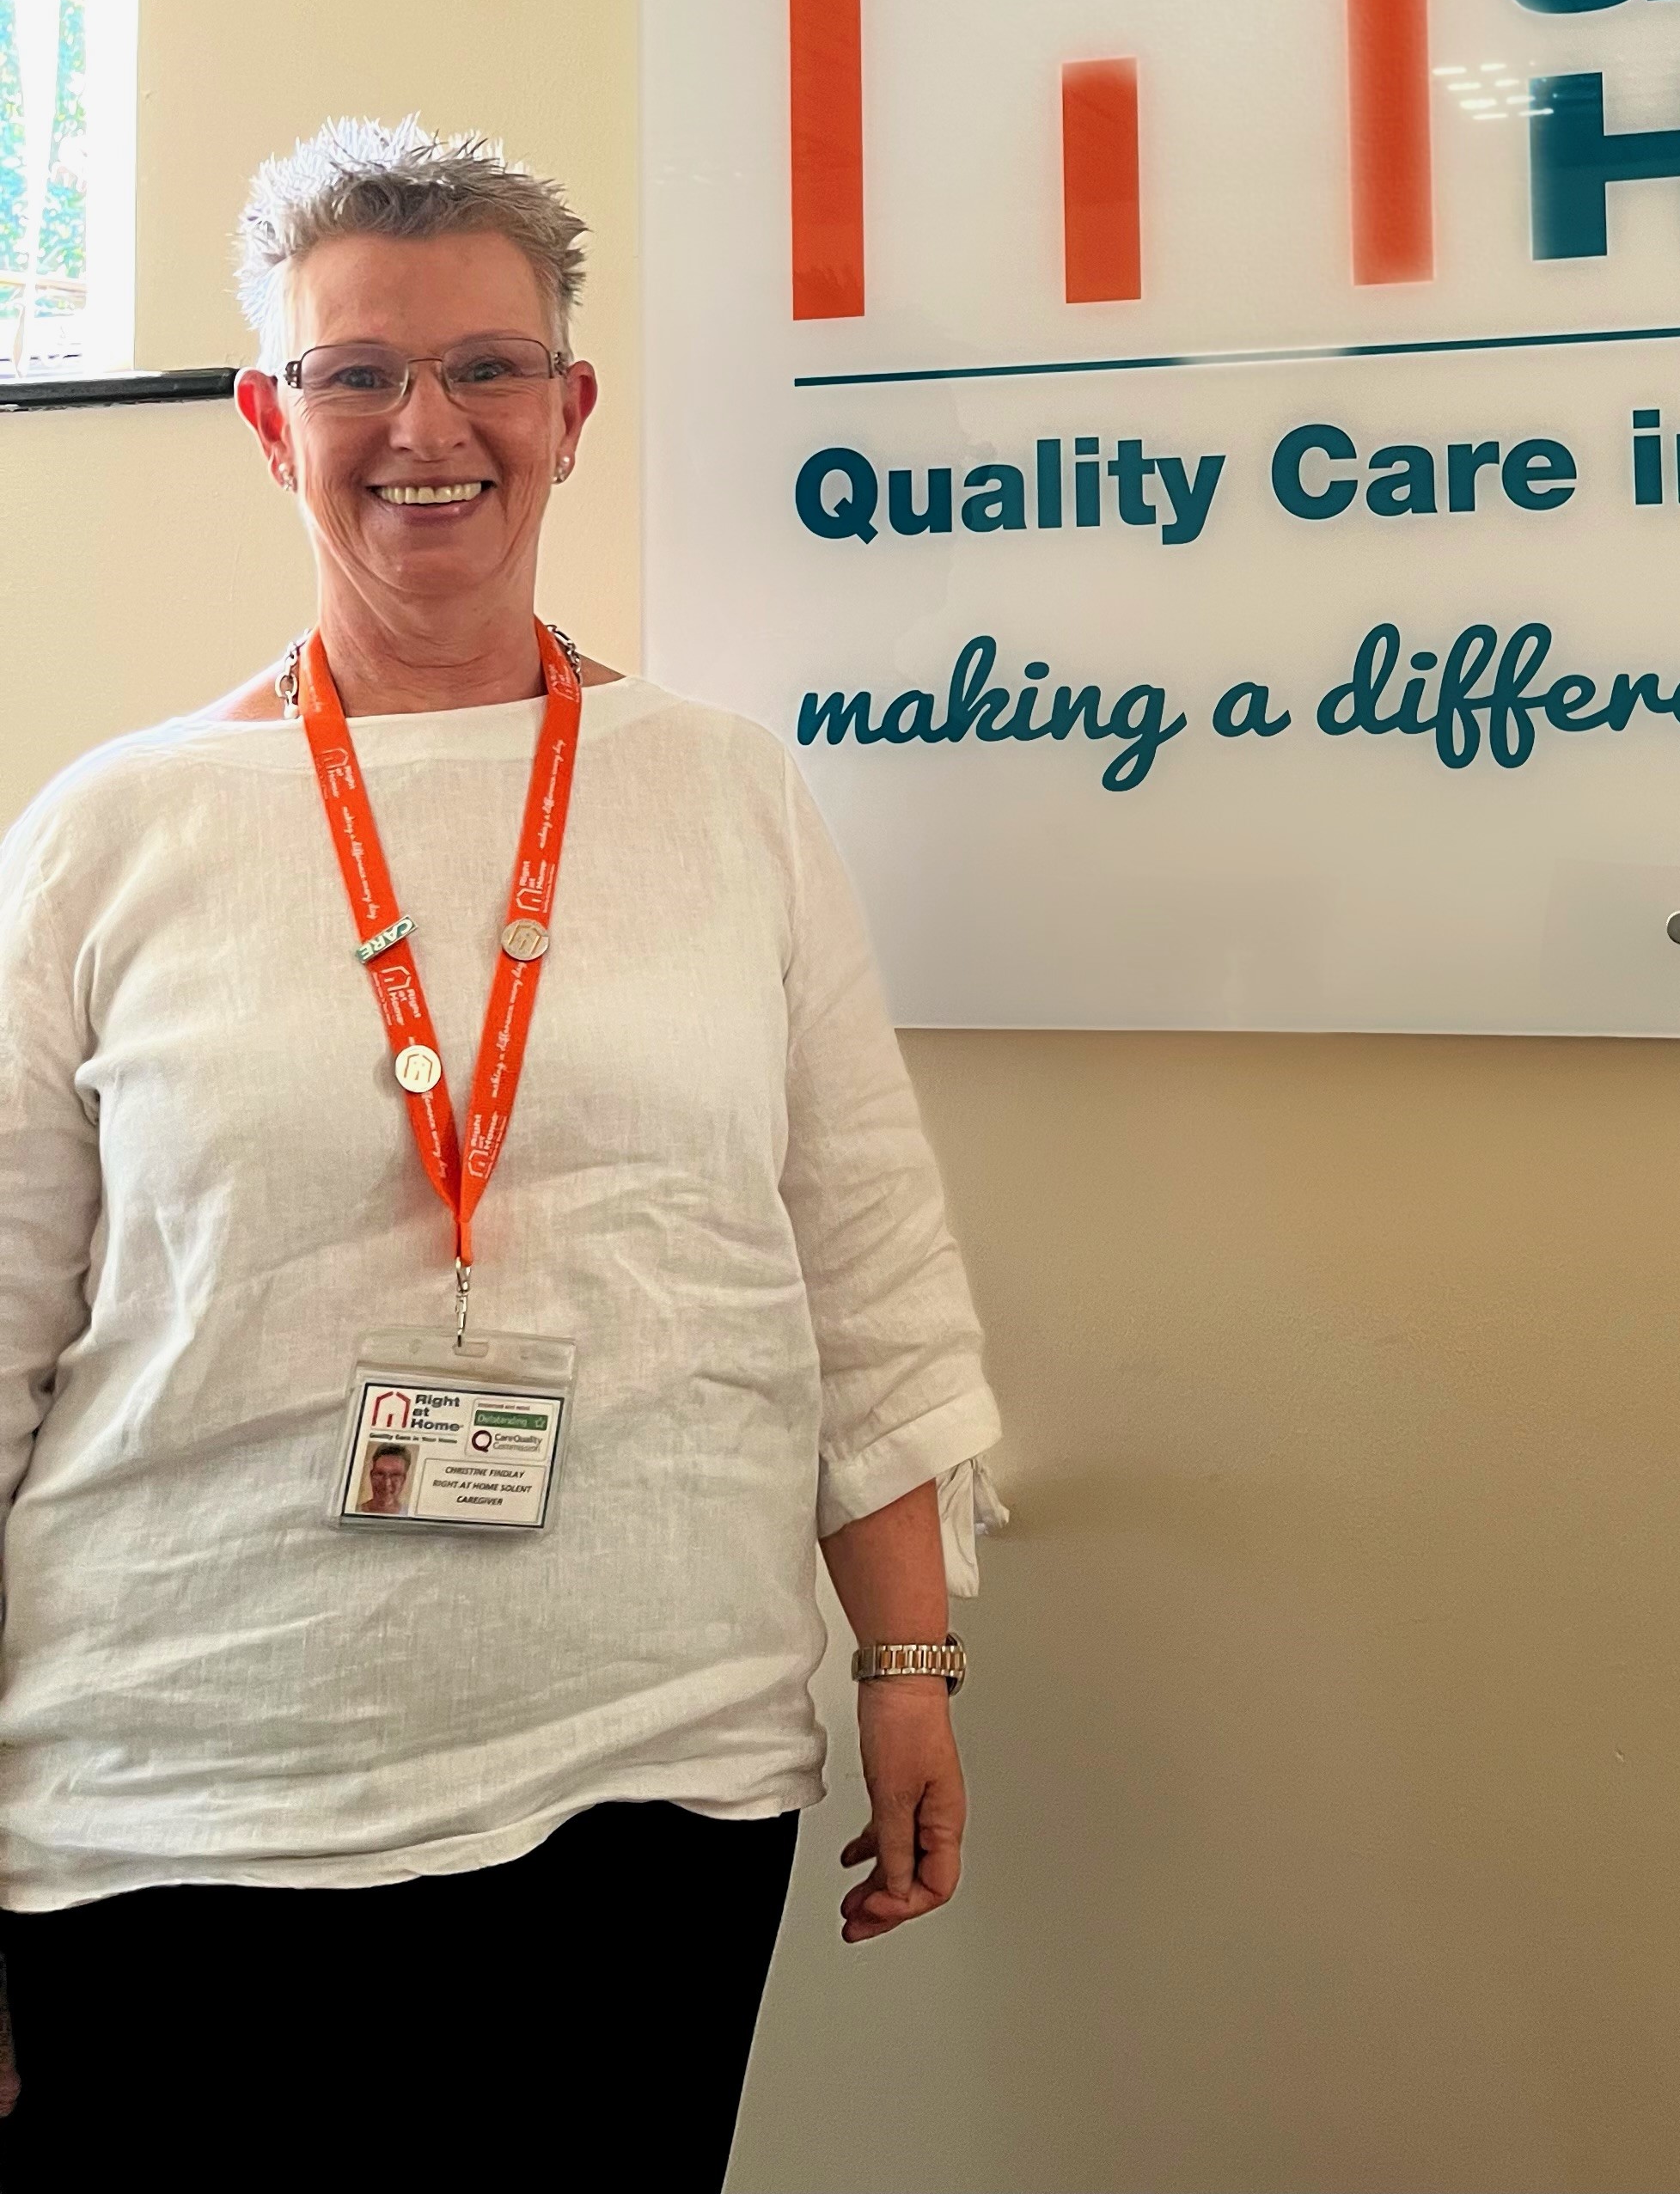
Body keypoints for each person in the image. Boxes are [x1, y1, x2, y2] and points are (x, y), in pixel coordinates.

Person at [0, 119, 999, 2186]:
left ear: (570, 408)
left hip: (649, 1768)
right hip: (174, 1792)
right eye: (356, 372)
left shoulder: (723, 797)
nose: (424, 426)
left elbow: (863, 1264)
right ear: (271, 424)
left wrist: (908, 1669)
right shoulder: (113, 833)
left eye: (484, 365)